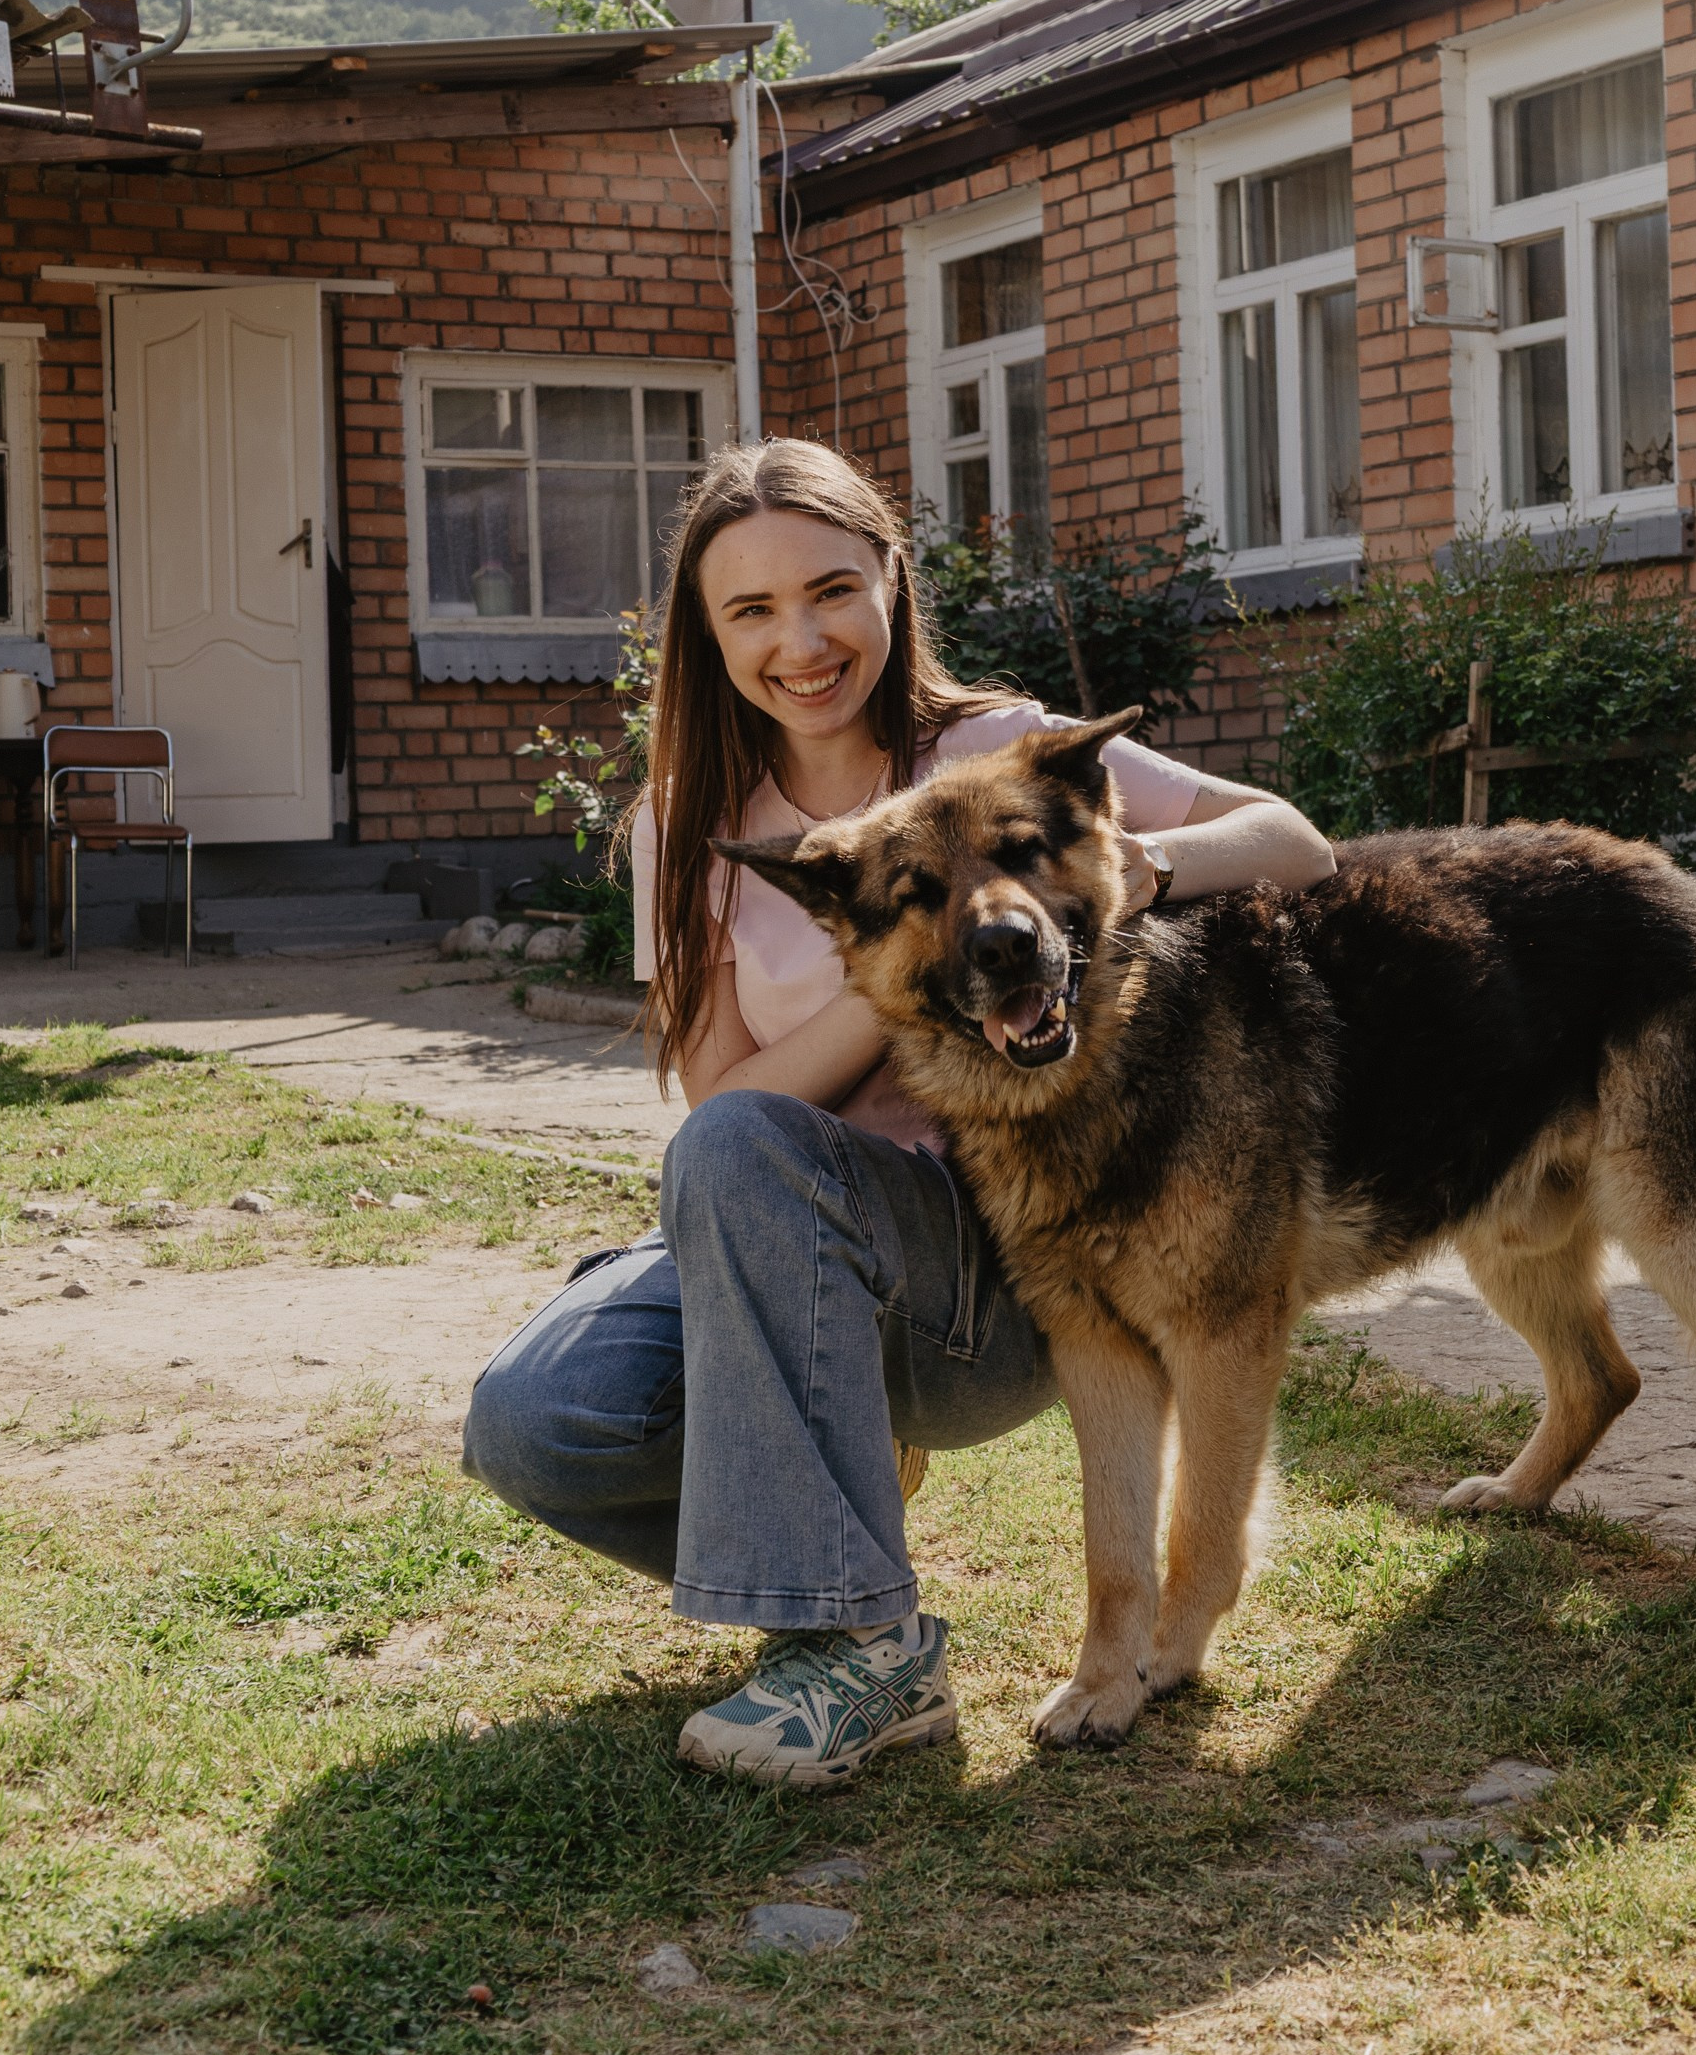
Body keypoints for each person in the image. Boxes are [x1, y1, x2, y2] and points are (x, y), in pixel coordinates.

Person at [462, 440, 1334, 1787]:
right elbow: (726, 1111)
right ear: (705, 631)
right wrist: (901, 972)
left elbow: (1294, 839)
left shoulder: (993, 750)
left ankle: (862, 1645)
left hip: (1000, 1269)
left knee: (744, 1161)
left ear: (891, 580)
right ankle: (838, 1527)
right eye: (751, 610)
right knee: (538, 1418)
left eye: (831, 591)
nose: (801, 642)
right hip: (789, 1242)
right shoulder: (686, 829)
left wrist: (1129, 872)